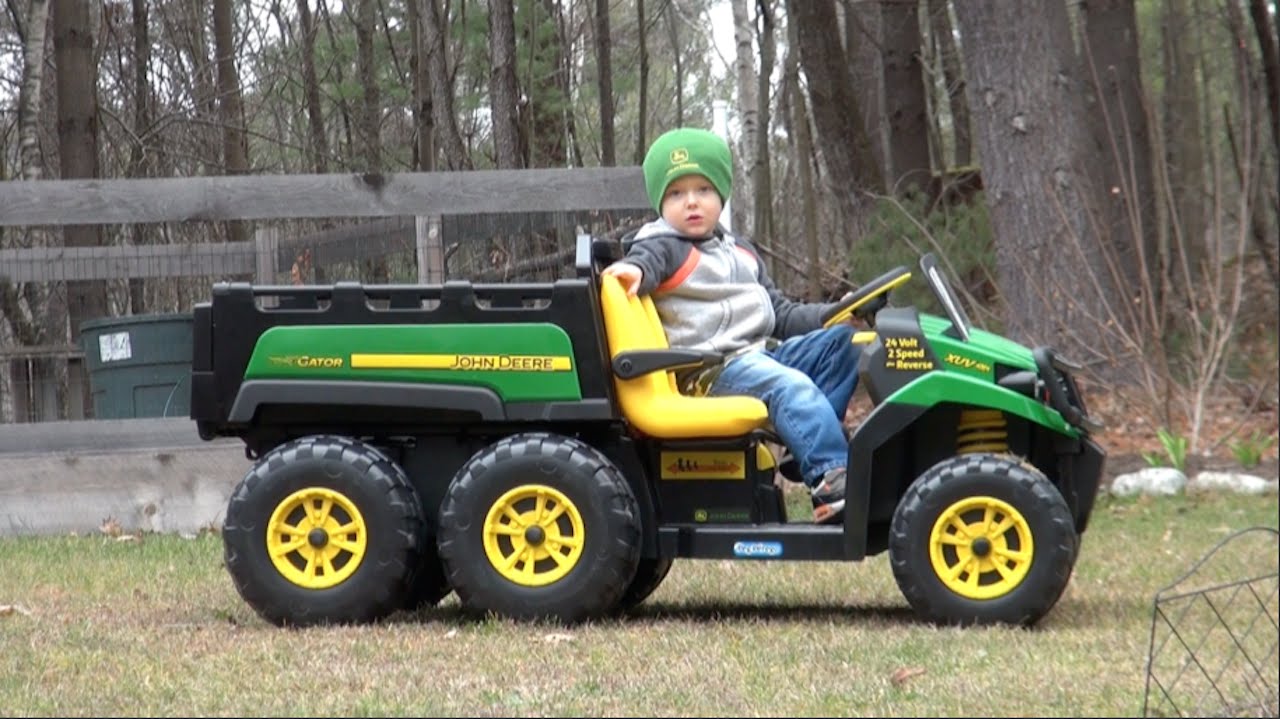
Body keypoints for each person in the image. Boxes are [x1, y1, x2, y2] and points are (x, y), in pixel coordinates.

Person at [602, 127, 861, 524]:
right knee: (787, 384)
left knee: (843, 343)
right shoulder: (662, 244)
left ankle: (802, 444)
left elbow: (782, 314)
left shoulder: (741, 250)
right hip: (710, 369)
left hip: (757, 355)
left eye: (703, 190)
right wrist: (634, 270)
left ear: (720, 196)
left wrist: (836, 311)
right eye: (676, 193)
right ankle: (831, 477)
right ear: (660, 203)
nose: (690, 202)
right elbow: (646, 262)